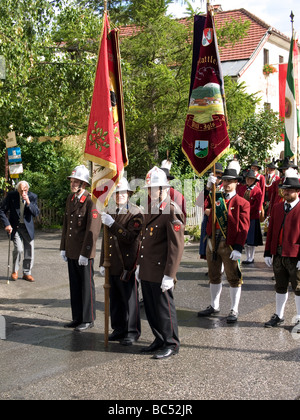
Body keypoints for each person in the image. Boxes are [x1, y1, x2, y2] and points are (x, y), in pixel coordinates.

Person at [136, 166, 185, 359]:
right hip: (148, 268)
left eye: (153, 188)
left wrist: (170, 275)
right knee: (150, 308)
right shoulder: (151, 208)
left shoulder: (171, 210)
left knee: (164, 308)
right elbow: (145, 240)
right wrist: (139, 265)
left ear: (164, 189)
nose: (150, 192)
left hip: (161, 270)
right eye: (149, 188)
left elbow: (177, 246)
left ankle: (171, 343)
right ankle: (159, 338)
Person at [197, 161, 250, 324]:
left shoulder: (242, 203)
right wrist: (207, 188)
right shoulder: (216, 197)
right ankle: (214, 305)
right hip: (213, 241)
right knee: (214, 275)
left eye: (230, 181)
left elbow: (244, 226)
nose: (226, 183)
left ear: (236, 182)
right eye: (225, 180)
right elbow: (199, 203)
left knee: (233, 277)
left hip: (230, 244)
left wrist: (239, 248)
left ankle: (234, 309)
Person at [100, 177, 144, 346]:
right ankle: (118, 329)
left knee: (130, 300)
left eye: (123, 193)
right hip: (112, 263)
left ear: (129, 194)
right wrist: (102, 263)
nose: (120, 196)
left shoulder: (136, 213)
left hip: (128, 264)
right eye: (117, 193)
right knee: (116, 299)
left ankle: (132, 331)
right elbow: (106, 240)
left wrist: (112, 225)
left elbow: (130, 238)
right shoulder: (110, 210)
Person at [60, 165, 101, 331]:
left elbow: (92, 229)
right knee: (75, 285)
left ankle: (88, 318)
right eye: (72, 181)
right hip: (71, 251)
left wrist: (86, 252)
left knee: (86, 286)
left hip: (84, 253)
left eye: (76, 181)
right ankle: (77, 317)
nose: (73, 184)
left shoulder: (91, 201)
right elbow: (66, 226)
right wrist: (63, 247)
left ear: (84, 184)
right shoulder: (71, 199)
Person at [264, 168, 300, 331]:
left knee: (298, 287)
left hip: (295, 255)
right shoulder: (277, 207)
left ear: (297, 192)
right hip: (278, 253)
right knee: (280, 286)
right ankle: (279, 315)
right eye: (284, 189)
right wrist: (267, 252)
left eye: (289, 190)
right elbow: (271, 231)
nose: (285, 192)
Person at [0, 181, 39, 282]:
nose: (23, 192)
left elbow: (36, 213)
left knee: (29, 250)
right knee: (19, 249)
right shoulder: (11, 196)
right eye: (21, 190)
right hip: (15, 227)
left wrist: (28, 202)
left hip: (27, 227)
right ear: (17, 189)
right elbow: (2, 210)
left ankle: (27, 273)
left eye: (25, 190)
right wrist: (7, 224)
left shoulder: (33, 196)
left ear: (28, 189)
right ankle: (15, 271)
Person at [238, 169, 263, 264]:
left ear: (254, 180)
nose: (249, 181)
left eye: (251, 179)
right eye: (247, 179)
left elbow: (257, 205)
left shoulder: (257, 191)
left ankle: (251, 257)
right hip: (243, 217)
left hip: (252, 217)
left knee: (251, 240)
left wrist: (246, 210)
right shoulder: (242, 189)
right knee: (246, 239)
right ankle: (247, 257)